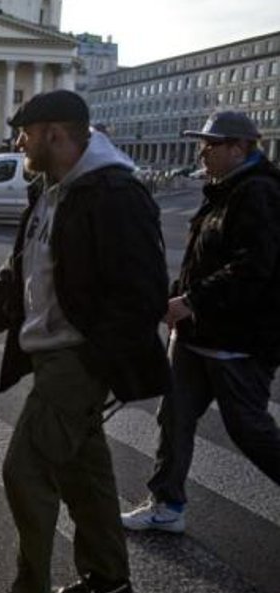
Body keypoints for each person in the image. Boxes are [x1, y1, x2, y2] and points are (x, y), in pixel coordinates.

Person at [0, 90, 170, 593]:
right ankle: (109, 579)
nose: (19, 143)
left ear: (55, 134)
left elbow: (143, 293)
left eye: (25, 134)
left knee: (24, 471)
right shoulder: (50, 188)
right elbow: (22, 266)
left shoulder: (113, 193)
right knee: (84, 475)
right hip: (54, 355)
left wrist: (96, 364)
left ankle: (29, 586)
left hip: (77, 358)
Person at [122, 111, 280, 533]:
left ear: (239, 148)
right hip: (196, 336)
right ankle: (166, 504)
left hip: (239, 341)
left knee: (250, 430)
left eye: (211, 144)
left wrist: (191, 300)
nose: (202, 151)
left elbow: (253, 266)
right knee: (174, 418)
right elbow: (201, 259)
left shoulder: (259, 192)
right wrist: (176, 299)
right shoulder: (223, 190)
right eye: (202, 143)